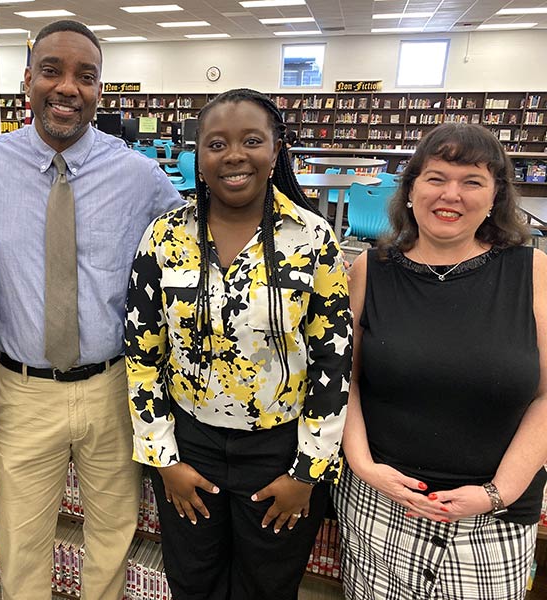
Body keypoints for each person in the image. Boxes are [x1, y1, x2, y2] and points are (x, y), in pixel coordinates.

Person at [0, 20, 183, 600]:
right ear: (26, 81)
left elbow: (193, 249)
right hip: (21, 392)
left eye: (85, 76)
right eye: (52, 71)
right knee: (21, 537)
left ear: (100, 90)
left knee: (115, 530)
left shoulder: (140, 176)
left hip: (116, 387)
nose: (67, 87)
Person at [125, 88, 352, 599]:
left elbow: (333, 362)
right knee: (192, 580)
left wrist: (307, 473)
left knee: (267, 585)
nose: (233, 155)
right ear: (197, 157)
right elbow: (142, 354)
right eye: (215, 143)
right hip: (190, 445)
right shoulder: (163, 237)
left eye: (251, 140)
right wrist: (165, 460)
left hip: (280, 450)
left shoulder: (312, 239)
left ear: (276, 151)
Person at [333, 122, 547, 600]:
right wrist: (363, 465)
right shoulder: (372, 269)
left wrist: (499, 492)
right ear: (410, 190)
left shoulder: (533, 272)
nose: (451, 194)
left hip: (491, 518)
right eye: (436, 178)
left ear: (496, 196)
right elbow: (344, 379)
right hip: (382, 503)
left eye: (472, 181)